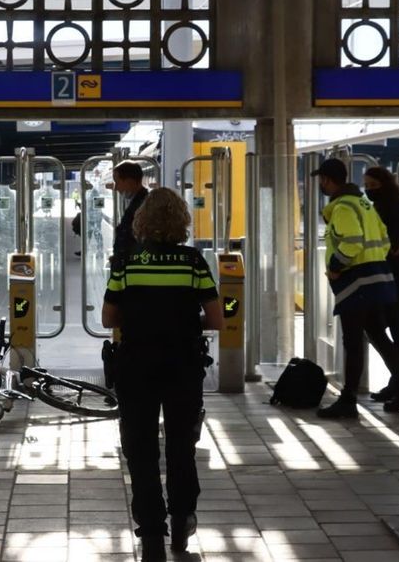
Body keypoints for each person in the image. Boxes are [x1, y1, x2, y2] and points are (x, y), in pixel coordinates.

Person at [101, 188, 224, 561]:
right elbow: (217, 319)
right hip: (183, 363)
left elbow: (109, 317)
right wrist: (183, 322)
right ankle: (183, 518)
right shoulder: (193, 262)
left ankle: (152, 530)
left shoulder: (126, 261)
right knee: (181, 444)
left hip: (136, 363)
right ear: (181, 221)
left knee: (140, 447)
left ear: (141, 221)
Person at [312, 158, 399, 419]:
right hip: (377, 278)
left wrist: (338, 266)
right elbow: (384, 239)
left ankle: (348, 399)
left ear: (327, 180)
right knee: (377, 334)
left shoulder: (343, 207)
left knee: (352, 341)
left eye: (322, 180)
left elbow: (352, 242)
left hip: (356, 281)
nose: (321, 185)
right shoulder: (363, 203)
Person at [364, 166, 399, 412]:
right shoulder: (392, 205)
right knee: (396, 330)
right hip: (397, 279)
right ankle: (398, 382)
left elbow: (394, 244)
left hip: (394, 279)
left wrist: (393, 248)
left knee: (382, 329)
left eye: (374, 186)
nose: (370, 190)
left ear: (385, 185)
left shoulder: (393, 209)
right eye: (367, 186)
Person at [112, 160, 149, 260]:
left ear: (129, 181)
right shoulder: (139, 202)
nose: (116, 188)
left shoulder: (144, 206)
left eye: (117, 182)